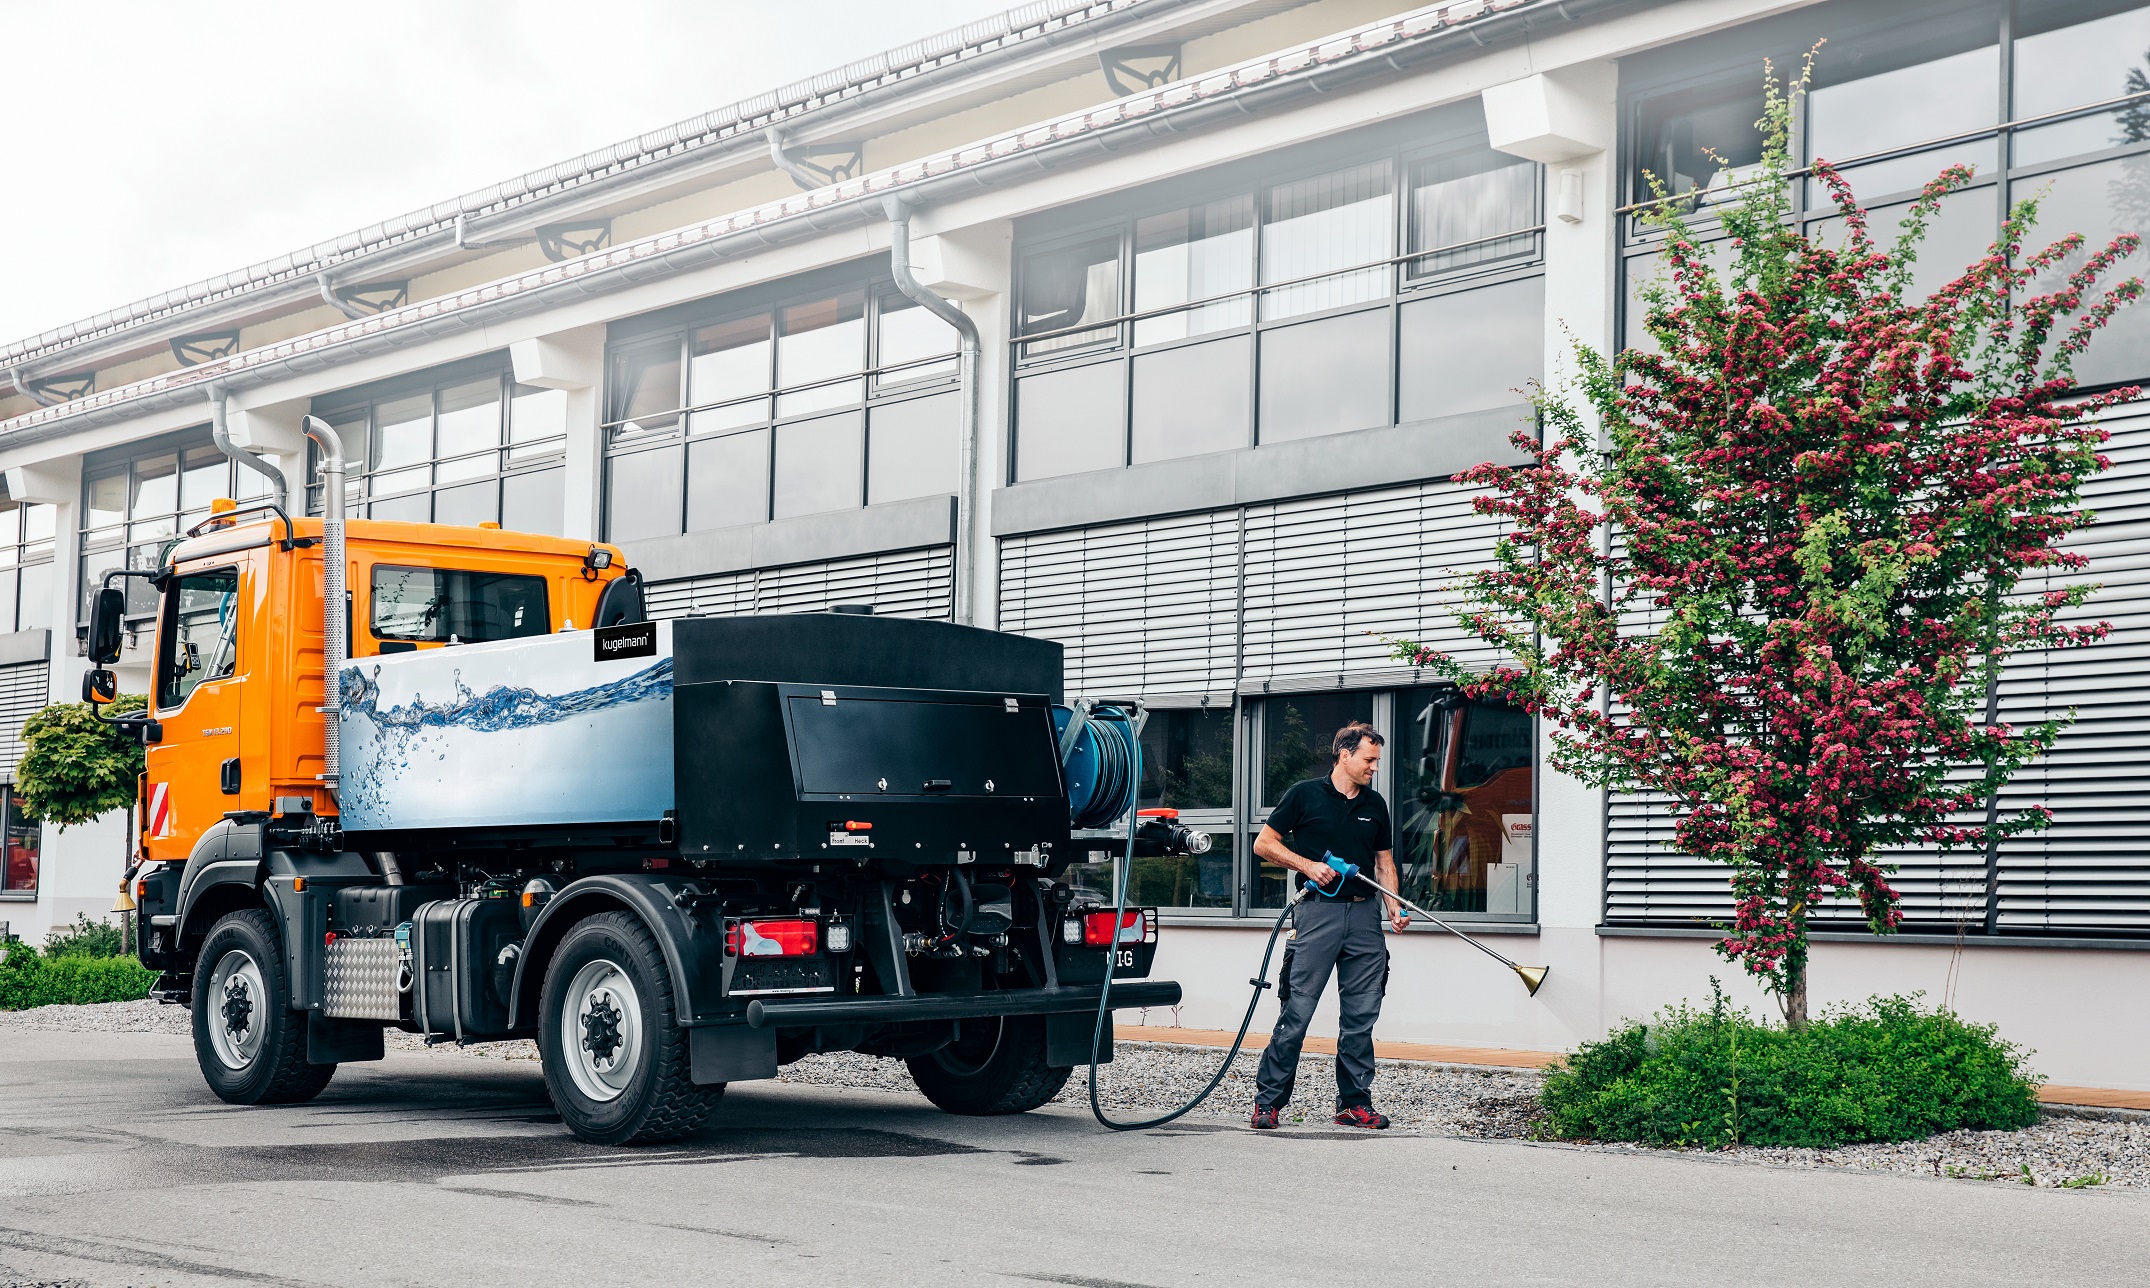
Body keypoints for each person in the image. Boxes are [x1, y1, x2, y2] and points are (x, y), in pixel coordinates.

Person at [1249, 721, 1408, 1130]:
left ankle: (1353, 1104)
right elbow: (1263, 844)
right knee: (1297, 1011)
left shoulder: (1375, 805)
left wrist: (1392, 906)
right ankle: (1268, 1103)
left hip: (1364, 918)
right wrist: (1307, 865)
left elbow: (1384, 863)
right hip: (1317, 914)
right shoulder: (1303, 795)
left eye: (1377, 760)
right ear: (1345, 755)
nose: (1375, 767)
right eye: (1369, 759)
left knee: (1361, 1015)